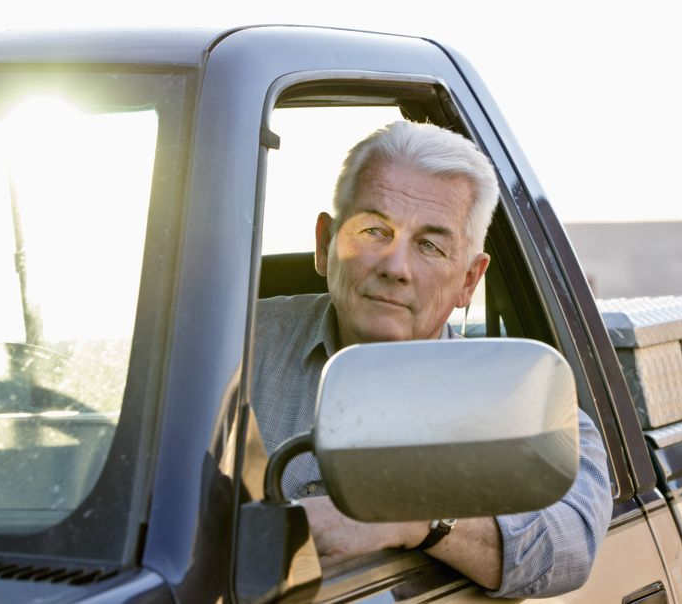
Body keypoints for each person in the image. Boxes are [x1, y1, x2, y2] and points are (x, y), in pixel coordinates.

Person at [251, 121, 612, 598]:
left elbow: (571, 540)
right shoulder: (233, 342)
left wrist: (412, 518)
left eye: (430, 245)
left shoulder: (512, 396)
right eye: (374, 230)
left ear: (468, 280)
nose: (395, 267)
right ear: (325, 243)